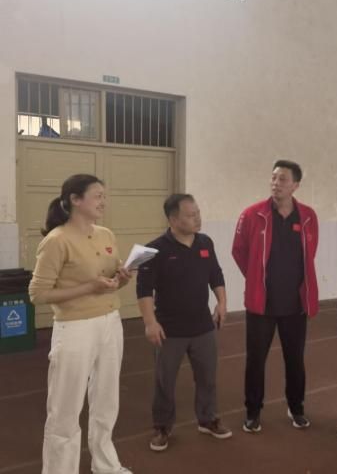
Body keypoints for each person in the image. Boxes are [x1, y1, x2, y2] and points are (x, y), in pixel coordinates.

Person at [28, 174, 133, 474]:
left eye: (104, 196)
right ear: (75, 200)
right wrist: (89, 287)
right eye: (97, 196)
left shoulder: (106, 234)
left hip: (110, 323)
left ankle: (106, 465)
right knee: (65, 408)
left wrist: (122, 279)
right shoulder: (56, 240)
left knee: (106, 401)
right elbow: (38, 294)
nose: (103, 202)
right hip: (75, 328)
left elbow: (110, 282)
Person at [136, 194, 231, 452]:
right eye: (191, 215)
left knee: (207, 378)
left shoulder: (205, 242)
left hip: (203, 327)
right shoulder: (153, 250)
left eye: (198, 213)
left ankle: (208, 419)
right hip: (169, 330)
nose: (197, 218)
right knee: (165, 381)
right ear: (173, 219)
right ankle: (162, 427)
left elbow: (216, 274)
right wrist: (150, 322)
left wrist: (222, 303)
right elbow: (143, 289)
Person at [232, 160, 319, 433]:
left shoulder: (307, 216)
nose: (276, 183)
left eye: (282, 179)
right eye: (273, 178)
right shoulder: (252, 214)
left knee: (295, 360)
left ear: (295, 185)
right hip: (262, 304)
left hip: (295, 304)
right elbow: (239, 251)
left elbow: (310, 252)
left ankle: (296, 408)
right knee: (255, 360)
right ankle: (253, 411)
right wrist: (256, 278)